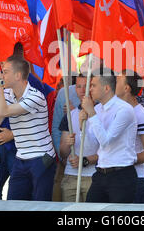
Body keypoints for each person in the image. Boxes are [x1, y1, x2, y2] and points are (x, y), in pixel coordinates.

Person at [0, 55, 56, 201]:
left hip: (41, 157)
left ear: (18, 75)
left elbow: (3, 111)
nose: (2, 74)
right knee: (13, 204)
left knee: (40, 206)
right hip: (21, 157)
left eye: (5, 72)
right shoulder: (5, 93)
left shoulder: (35, 96)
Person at [81, 68, 138, 203]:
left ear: (106, 88)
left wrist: (92, 115)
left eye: (94, 85)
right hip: (101, 172)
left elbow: (105, 141)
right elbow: (91, 141)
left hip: (121, 174)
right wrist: (81, 124)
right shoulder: (96, 109)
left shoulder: (124, 109)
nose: (90, 89)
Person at [115, 70, 144, 203]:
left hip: (137, 179)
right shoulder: (117, 111)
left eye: (117, 82)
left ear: (127, 88)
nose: (112, 84)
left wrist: (122, 160)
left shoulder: (141, 115)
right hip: (119, 178)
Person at [59, 74, 99, 202]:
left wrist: (85, 160)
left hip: (93, 175)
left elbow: (108, 149)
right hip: (71, 175)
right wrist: (67, 143)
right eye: (78, 86)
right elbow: (63, 153)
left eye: (86, 86)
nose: (82, 90)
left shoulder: (102, 112)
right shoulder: (69, 116)